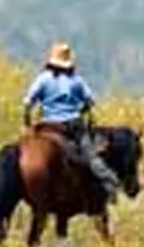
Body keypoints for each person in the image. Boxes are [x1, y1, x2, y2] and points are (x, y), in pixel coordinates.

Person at [22, 41, 120, 200]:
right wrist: (81, 109)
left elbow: (28, 102)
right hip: (72, 125)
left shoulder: (43, 79)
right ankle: (110, 184)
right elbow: (90, 101)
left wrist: (27, 120)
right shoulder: (76, 80)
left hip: (47, 125)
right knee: (92, 157)